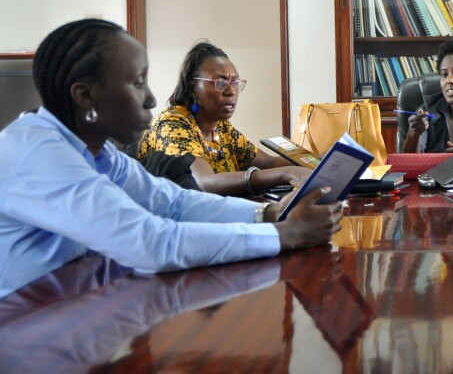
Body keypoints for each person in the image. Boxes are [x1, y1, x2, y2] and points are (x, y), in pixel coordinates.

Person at [0, 19, 342, 297]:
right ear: (85, 95)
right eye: (137, 83)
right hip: (21, 328)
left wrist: (270, 212)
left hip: (69, 308)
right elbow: (151, 242)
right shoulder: (37, 153)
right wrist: (286, 235)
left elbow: (174, 203)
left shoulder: (97, 151)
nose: (150, 98)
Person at [138, 41, 309, 196]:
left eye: (235, 82)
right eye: (220, 83)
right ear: (192, 86)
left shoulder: (221, 128)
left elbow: (269, 162)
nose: (231, 91)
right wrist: (287, 173)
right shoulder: (172, 124)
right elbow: (205, 182)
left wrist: (320, 159)